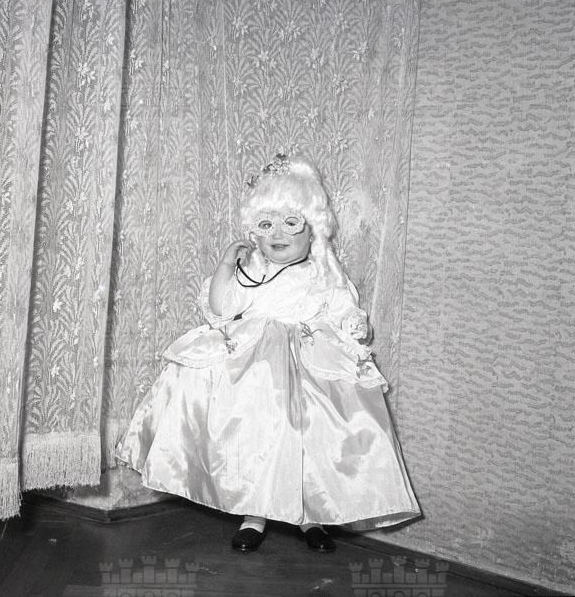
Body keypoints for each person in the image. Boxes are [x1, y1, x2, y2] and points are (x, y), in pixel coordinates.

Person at [116, 154, 420, 553]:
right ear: (253, 232)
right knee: (256, 437)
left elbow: (342, 306)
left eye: (290, 223)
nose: (277, 233)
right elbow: (222, 308)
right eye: (266, 224)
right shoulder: (254, 270)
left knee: (314, 439)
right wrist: (227, 266)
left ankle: (312, 516)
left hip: (311, 364)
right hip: (256, 366)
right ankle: (254, 514)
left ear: (313, 230)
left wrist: (352, 323)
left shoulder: (322, 272)